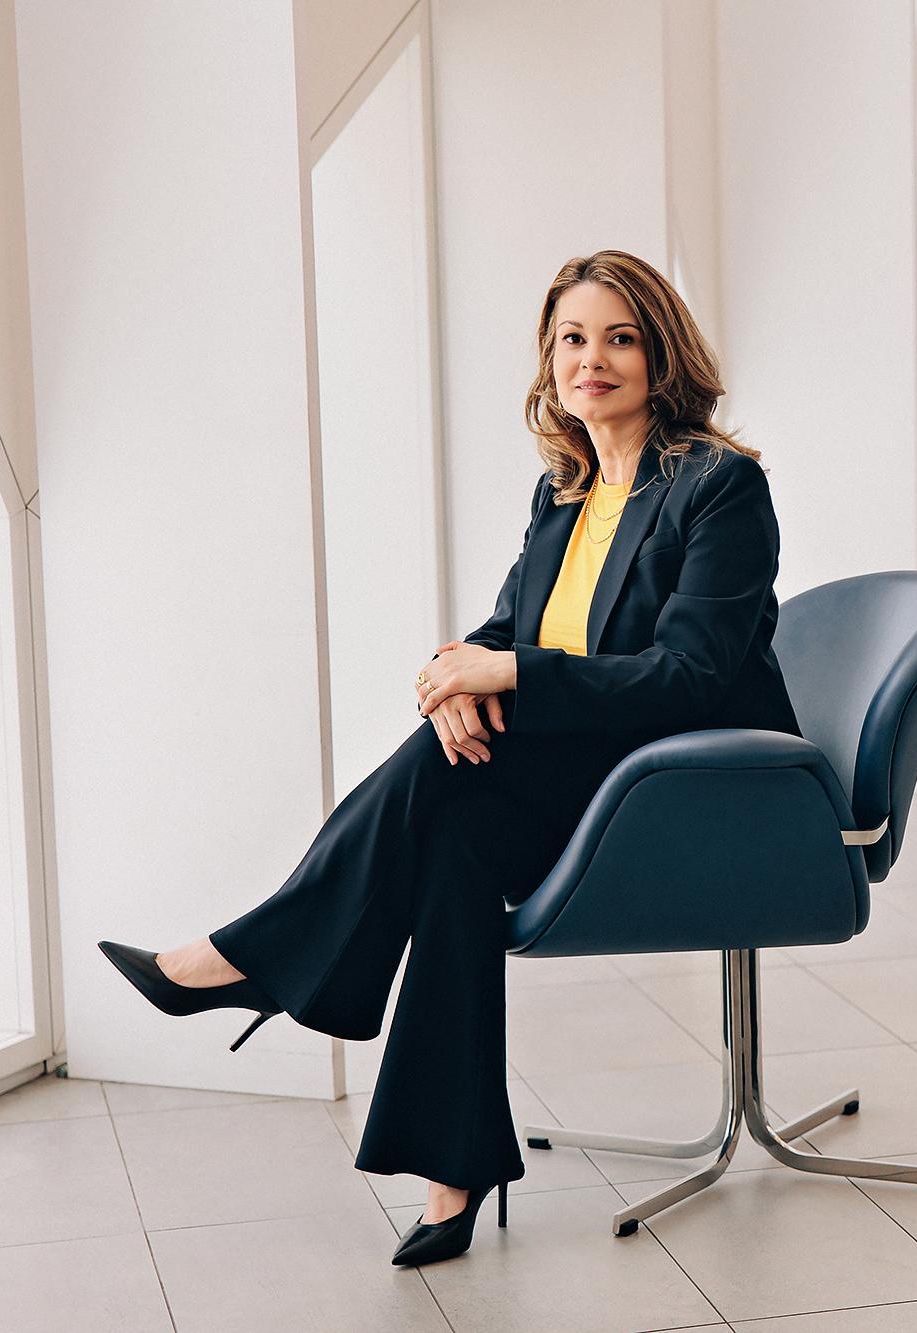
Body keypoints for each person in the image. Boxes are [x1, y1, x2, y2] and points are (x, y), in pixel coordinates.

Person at [98, 249, 802, 1266]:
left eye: (619, 337)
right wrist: (449, 681)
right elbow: (508, 629)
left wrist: (497, 676)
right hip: (578, 772)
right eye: (571, 338)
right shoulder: (561, 494)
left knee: (445, 790)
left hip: (689, 784)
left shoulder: (718, 488)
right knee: (454, 842)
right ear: (547, 357)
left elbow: (688, 676)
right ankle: (451, 1170)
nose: (590, 358)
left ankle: (251, 956)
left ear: (660, 353)